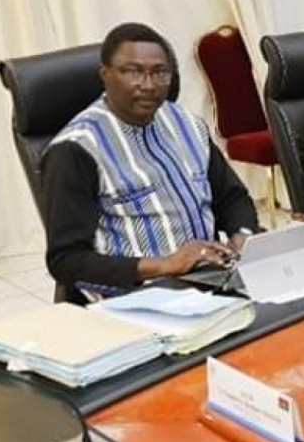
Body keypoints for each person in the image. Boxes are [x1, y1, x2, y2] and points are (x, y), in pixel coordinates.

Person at [42, 22, 258, 297]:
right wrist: (166, 265)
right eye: (132, 72)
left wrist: (243, 236)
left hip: (211, 280)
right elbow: (66, 260)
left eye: (160, 73)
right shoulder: (76, 149)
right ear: (105, 75)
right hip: (136, 297)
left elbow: (232, 197)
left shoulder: (188, 125)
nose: (148, 85)